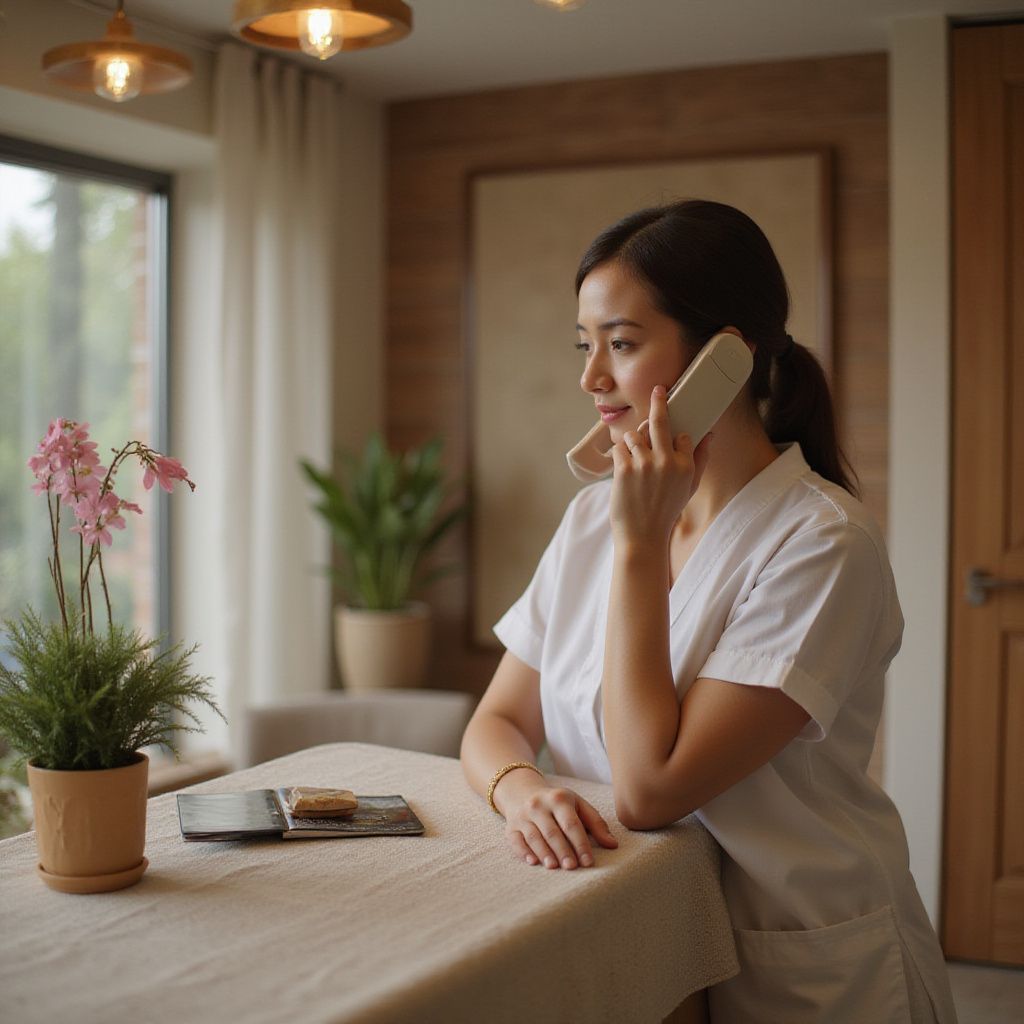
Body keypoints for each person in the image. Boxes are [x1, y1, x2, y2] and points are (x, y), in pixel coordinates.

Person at [459, 199, 959, 1022]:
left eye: (620, 344)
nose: (591, 378)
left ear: (725, 357)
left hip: (797, 957)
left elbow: (649, 789)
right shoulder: (593, 519)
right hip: (644, 944)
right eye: (585, 346)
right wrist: (522, 792)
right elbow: (495, 722)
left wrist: (640, 547)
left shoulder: (822, 544)